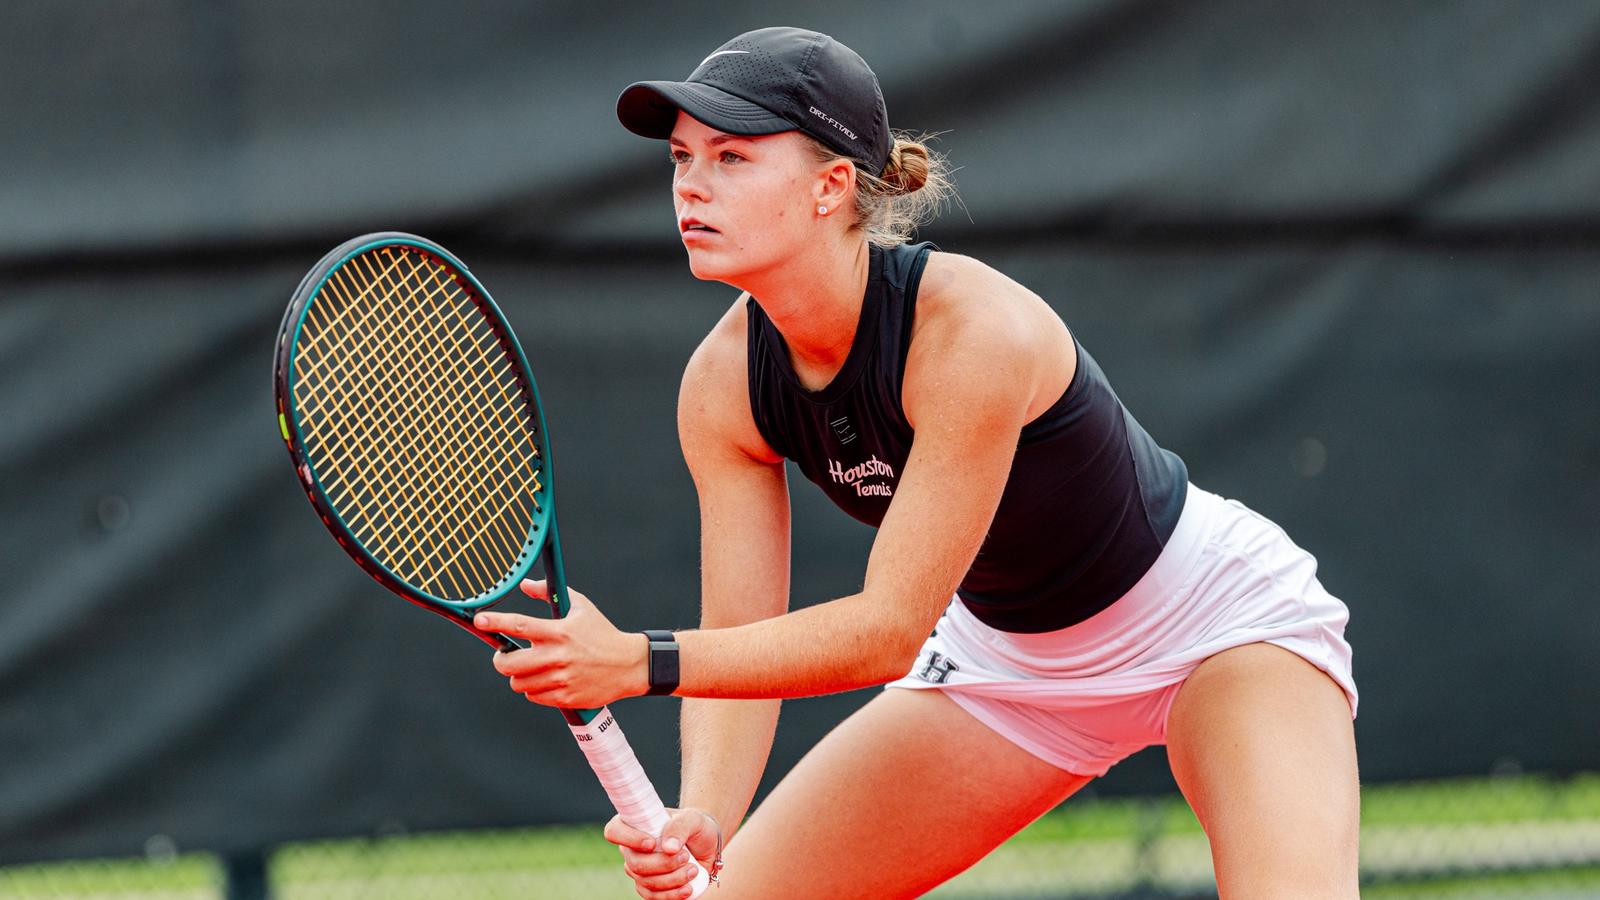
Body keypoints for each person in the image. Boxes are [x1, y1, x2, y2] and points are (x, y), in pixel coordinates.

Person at [473, 26, 1360, 899]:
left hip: (1213, 629)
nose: (690, 187)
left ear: (829, 187)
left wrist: (638, 661)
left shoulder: (973, 334)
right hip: (1006, 672)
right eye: (680, 158)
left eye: (731, 158)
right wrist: (705, 810)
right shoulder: (721, 388)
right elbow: (739, 628)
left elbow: (890, 629)